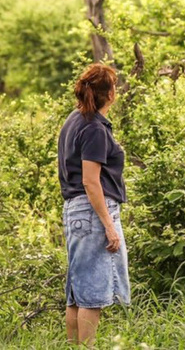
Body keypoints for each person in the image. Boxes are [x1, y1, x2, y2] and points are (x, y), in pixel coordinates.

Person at [58, 64, 130, 346]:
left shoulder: (75, 119)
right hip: (91, 211)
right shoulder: (94, 128)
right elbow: (91, 181)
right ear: (110, 93)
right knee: (92, 293)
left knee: (78, 291)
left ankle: (74, 346)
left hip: (76, 210)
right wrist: (109, 227)